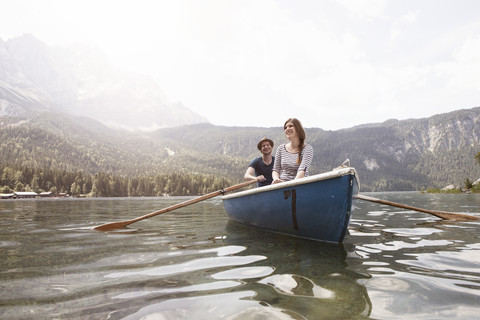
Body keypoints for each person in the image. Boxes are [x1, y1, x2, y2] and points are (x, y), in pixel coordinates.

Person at [272, 118, 313, 184]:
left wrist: (290, 185)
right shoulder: (281, 148)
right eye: (285, 127)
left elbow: (302, 171)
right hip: (281, 184)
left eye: (290, 126)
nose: (287, 129)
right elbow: (275, 170)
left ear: (298, 128)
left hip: (299, 184)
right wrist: (276, 179)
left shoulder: (307, 149)